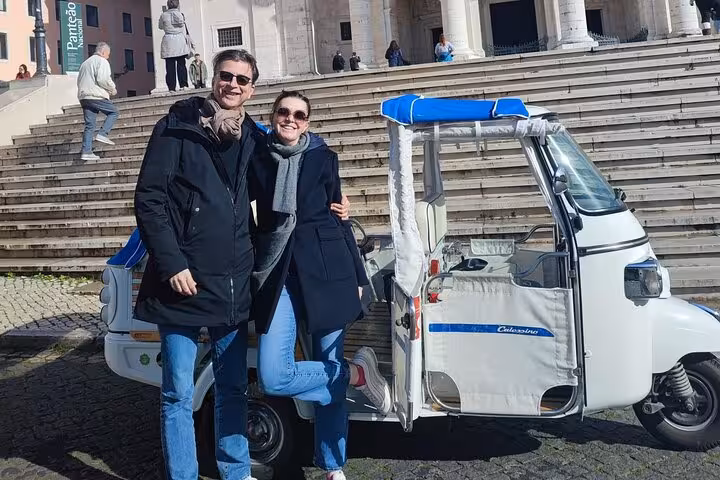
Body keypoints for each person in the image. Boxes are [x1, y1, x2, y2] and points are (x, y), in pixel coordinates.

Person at [134, 49, 349, 480]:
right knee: (177, 392)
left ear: (252, 88)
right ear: (214, 78)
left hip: (232, 281)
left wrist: (334, 203)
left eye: (242, 80)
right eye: (226, 76)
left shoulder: (252, 135)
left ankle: (235, 472)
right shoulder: (176, 127)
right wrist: (173, 262)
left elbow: (294, 160)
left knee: (232, 388)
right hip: (181, 278)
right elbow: (150, 199)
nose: (233, 85)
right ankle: (184, 476)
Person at [250, 91, 391, 480]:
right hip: (278, 274)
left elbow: (338, 217)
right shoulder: (257, 155)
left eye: (299, 114)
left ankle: (332, 465)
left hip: (328, 271)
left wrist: (360, 279)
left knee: (327, 363)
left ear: (307, 122)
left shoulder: (324, 157)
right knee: (274, 374)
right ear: (272, 116)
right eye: (283, 112)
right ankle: (350, 375)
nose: (291, 119)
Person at [77, 42, 118, 162]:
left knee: (89, 125)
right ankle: (103, 133)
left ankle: (86, 151)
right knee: (114, 112)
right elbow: (103, 79)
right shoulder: (102, 61)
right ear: (104, 52)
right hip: (95, 95)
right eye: (108, 54)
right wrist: (112, 88)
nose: (108, 57)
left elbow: (79, 80)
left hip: (84, 96)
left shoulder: (85, 63)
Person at [159, 0, 192, 92]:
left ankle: (171, 87)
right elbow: (182, 25)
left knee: (170, 67)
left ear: (168, 5)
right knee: (181, 64)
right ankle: (183, 84)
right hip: (179, 40)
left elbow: (160, 26)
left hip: (168, 41)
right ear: (177, 5)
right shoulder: (180, 15)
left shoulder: (163, 15)